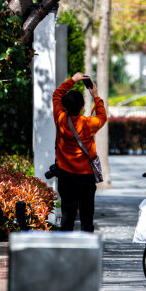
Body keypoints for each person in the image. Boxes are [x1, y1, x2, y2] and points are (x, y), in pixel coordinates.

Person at [52, 72, 107, 232]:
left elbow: (57, 94)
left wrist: (73, 80)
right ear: (82, 107)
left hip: (66, 177)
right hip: (86, 178)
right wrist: (95, 95)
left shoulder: (60, 119)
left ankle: (65, 252)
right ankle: (86, 253)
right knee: (87, 218)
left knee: (67, 216)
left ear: (64, 106)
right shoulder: (88, 123)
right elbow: (102, 116)